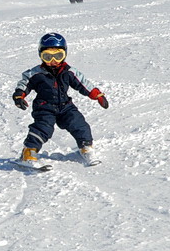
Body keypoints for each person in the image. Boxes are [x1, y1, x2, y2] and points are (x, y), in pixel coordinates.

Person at [12, 33, 109, 166]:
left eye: (58, 56)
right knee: (42, 128)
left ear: (65, 54)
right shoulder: (35, 73)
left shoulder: (68, 71)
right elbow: (24, 84)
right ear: (40, 55)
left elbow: (83, 83)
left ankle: (86, 148)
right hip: (44, 107)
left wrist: (97, 95)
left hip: (65, 106)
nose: (53, 60)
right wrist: (19, 96)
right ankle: (29, 152)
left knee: (79, 124)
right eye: (47, 56)